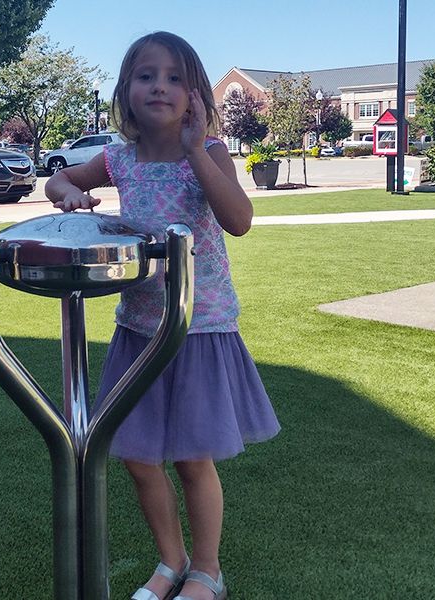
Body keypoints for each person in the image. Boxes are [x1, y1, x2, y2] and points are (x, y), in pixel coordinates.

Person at [45, 31, 280, 600]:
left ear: (196, 94)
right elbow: (61, 177)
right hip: (139, 329)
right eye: (147, 75)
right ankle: (170, 562)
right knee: (137, 456)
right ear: (126, 91)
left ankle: (208, 571)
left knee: (192, 459)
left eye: (176, 77)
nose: (160, 86)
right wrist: (66, 191)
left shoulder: (210, 153)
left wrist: (198, 149)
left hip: (198, 326)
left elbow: (240, 219)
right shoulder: (119, 159)